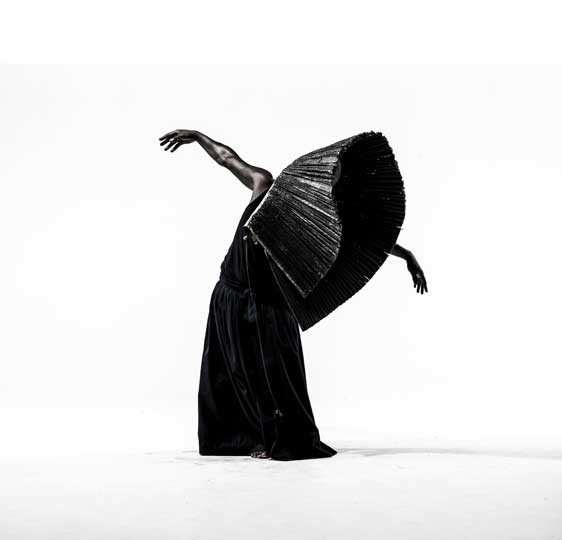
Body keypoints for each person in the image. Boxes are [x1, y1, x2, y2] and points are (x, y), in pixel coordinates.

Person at [158, 129, 428, 461]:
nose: (328, 179)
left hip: (269, 305)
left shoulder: (316, 219)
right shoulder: (263, 183)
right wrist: (198, 137)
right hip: (230, 294)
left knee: (272, 375)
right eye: (328, 172)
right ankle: (247, 438)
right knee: (232, 371)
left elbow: (366, 239)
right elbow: (226, 158)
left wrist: (407, 256)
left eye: (335, 176)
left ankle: (276, 438)